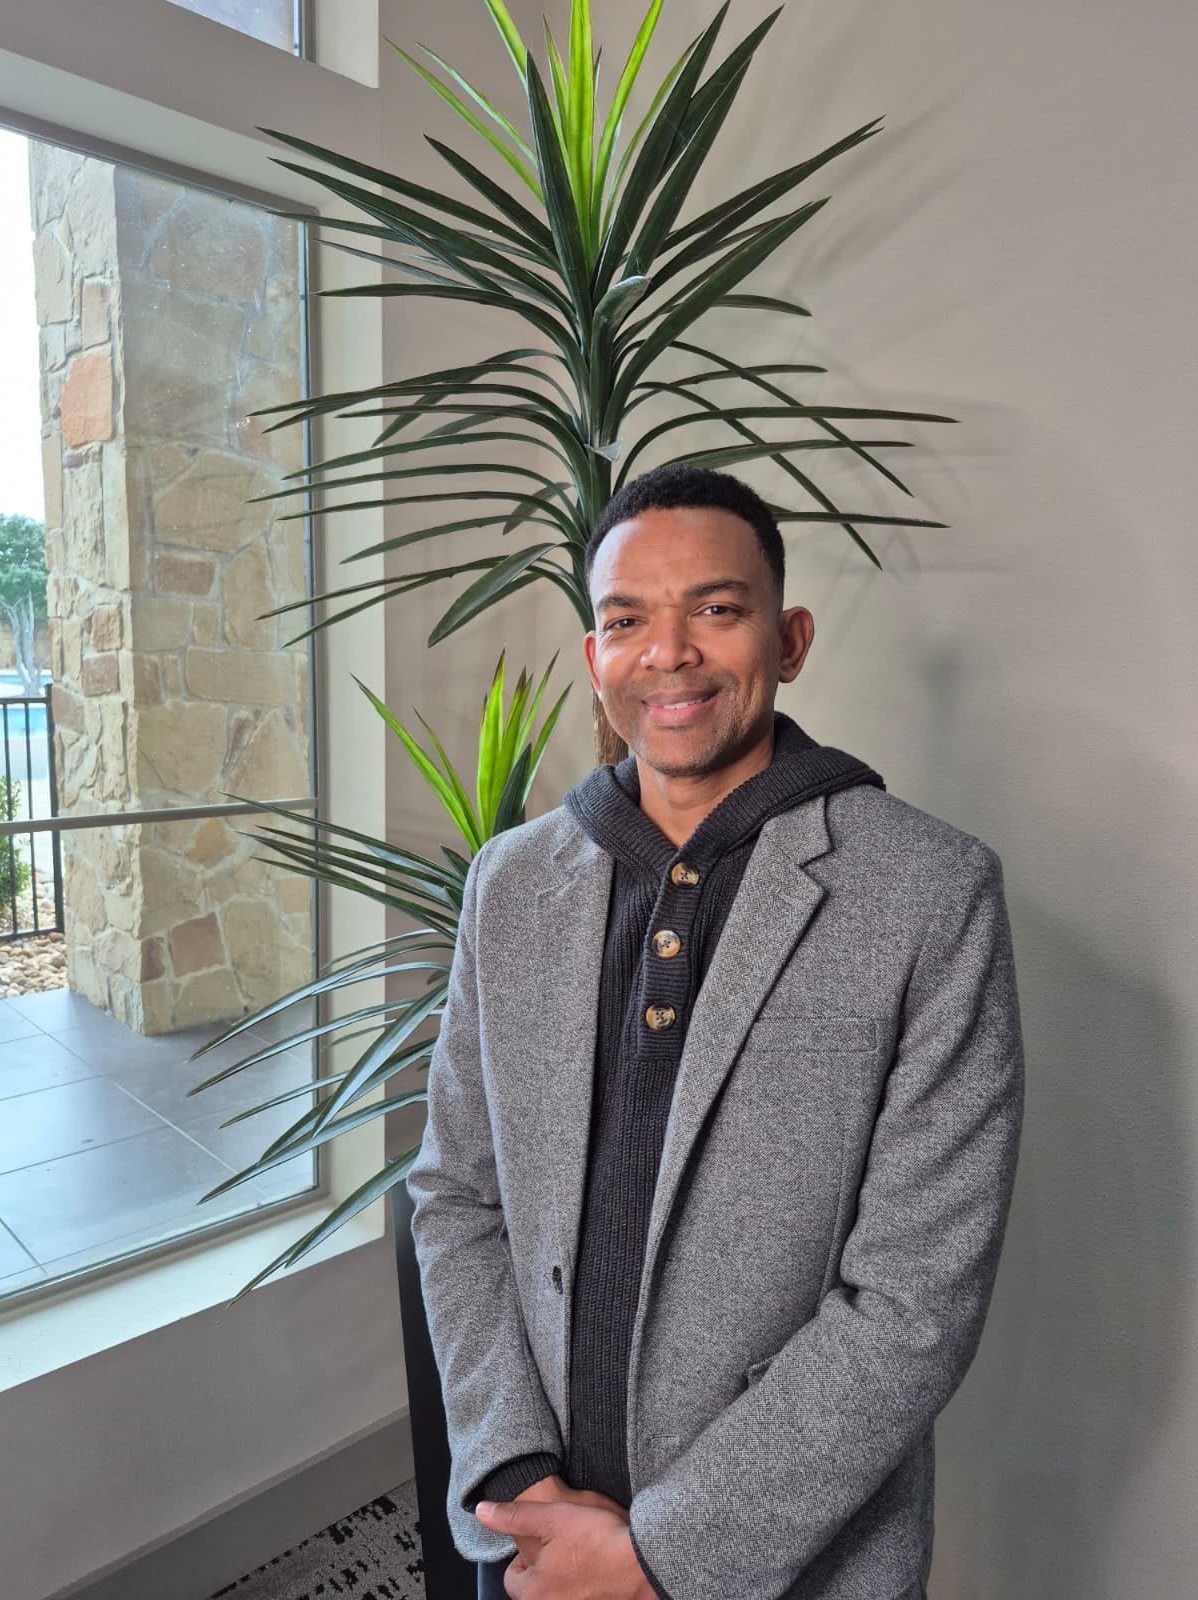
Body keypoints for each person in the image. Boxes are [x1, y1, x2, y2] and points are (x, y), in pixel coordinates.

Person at [405, 463, 1025, 1600]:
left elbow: (914, 1300)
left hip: (787, 1562)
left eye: (717, 608)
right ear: (594, 657)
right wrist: (520, 1477)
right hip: (539, 1535)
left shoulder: (930, 894)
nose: (668, 653)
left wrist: (659, 1555)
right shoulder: (509, 884)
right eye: (626, 621)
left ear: (789, 640)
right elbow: (458, 1197)